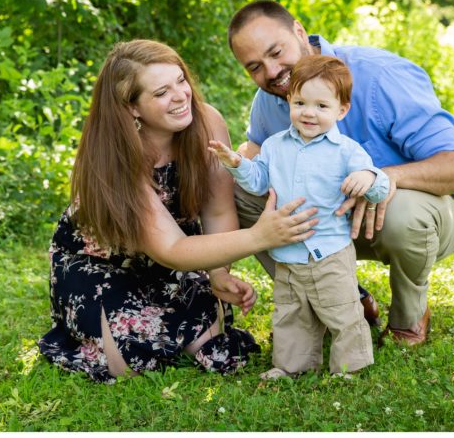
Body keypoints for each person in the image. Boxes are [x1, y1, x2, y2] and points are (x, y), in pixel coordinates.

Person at [37, 39, 319, 383]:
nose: (181, 95)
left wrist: (217, 273)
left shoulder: (207, 122)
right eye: (160, 93)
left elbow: (217, 211)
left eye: (181, 81)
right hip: (100, 262)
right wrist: (260, 236)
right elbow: (170, 249)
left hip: (174, 256)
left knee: (213, 347)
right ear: (132, 108)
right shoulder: (115, 155)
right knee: (127, 364)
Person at [227, 0, 454, 346]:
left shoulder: (378, 76)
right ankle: (342, 302)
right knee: (240, 192)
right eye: (255, 66)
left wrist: (384, 178)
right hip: (332, 221)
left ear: (299, 31)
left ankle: (408, 317)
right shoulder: (269, 100)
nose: (271, 72)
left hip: (416, 217)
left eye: (276, 52)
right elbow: (254, 159)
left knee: (402, 213)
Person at [208, 55, 388, 378]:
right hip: (288, 253)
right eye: (301, 102)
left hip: (329, 251)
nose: (309, 112)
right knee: (291, 313)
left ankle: (350, 366)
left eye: (321, 106)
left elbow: (379, 186)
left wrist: (370, 179)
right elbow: (259, 179)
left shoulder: (346, 151)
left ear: (341, 110)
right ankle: (292, 365)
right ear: (289, 99)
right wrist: (236, 163)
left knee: (341, 310)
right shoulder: (276, 146)